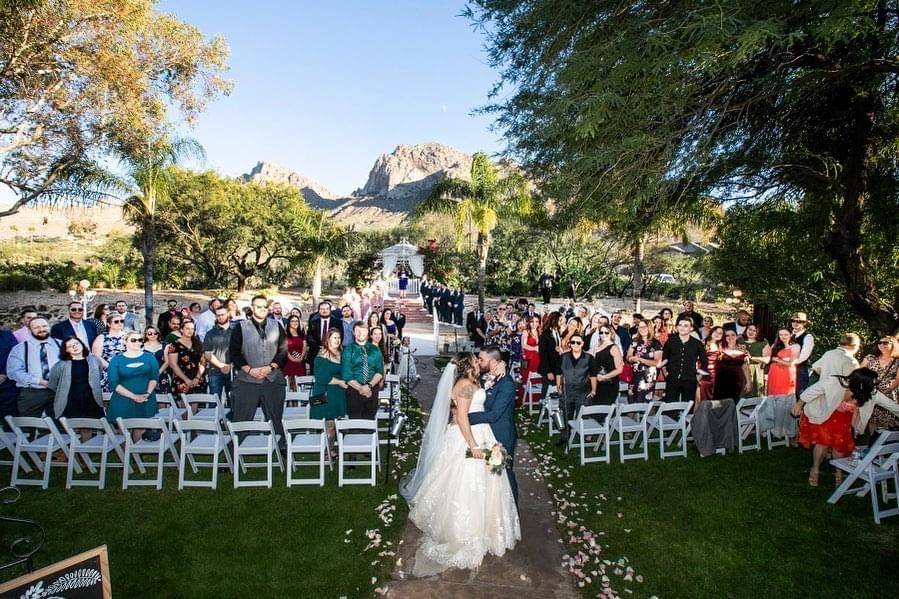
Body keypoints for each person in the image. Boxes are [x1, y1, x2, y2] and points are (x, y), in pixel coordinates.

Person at [403, 352, 521, 577]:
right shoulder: (466, 386)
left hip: (479, 432)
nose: (480, 363)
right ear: (469, 365)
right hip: (468, 437)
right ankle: (467, 531)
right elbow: (463, 417)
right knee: (466, 484)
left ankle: (486, 527)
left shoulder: (472, 382)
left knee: (483, 483)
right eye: (477, 361)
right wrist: (473, 445)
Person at [792, 368, 877, 486]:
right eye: (871, 383)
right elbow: (812, 390)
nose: (873, 386)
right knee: (823, 443)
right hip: (826, 415)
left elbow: (888, 404)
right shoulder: (834, 381)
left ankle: (839, 472)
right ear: (862, 383)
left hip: (844, 420)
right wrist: (799, 404)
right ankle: (815, 470)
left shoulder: (867, 392)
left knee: (839, 446)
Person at [229, 295, 288, 442]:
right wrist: (249, 370)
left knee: (275, 419)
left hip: (272, 379)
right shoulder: (240, 327)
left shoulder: (277, 326)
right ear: (252, 307)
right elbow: (234, 352)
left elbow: (283, 351)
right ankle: (232, 455)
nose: (262, 309)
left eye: (264, 306)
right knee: (241, 420)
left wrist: (270, 367)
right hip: (247, 381)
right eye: (258, 306)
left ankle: (281, 452)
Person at [106, 333, 159, 441]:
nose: (137, 342)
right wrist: (134, 396)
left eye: (140, 340)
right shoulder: (116, 360)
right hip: (123, 399)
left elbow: (154, 377)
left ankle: (136, 455)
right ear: (125, 342)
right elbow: (113, 383)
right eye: (133, 340)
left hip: (145, 398)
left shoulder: (149, 357)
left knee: (140, 428)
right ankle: (124, 457)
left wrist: (147, 394)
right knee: (124, 433)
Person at [6, 318, 61, 418]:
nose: (41, 329)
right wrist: (39, 381)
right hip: (32, 393)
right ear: (30, 330)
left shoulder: (61, 345)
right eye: (37, 327)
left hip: (59, 391)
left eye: (44, 326)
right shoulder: (20, 348)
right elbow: (13, 372)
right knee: (28, 426)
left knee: (60, 427)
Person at [47, 337, 104, 425]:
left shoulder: (94, 360)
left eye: (76, 343)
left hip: (92, 399)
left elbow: (98, 375)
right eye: (70, 346)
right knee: (73, 428)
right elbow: (53, 384)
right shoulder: (60, 365)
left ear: (81, 344)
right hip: (70, 401)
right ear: (66, 350)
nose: (74, 347)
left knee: (89, 427)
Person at [555, 333, 597, 446]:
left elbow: (593, 376)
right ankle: (564, 437)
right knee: (565, 415)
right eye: (573, 342)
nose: (575, 344)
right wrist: (558, 387)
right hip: (566, 391)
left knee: (582, 416)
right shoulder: (563, 357)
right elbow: (558, 373)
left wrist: (593, 391)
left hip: (583, 392)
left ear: (582, 344)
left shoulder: (589, 358)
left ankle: (580, 437)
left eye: (578, 342)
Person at [311, 328, 348, 448]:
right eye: (334, 338)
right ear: (328, 339)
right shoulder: (323, 354)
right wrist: (339, 382)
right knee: (329, 423)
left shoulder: (342, 354)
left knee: (335, 422)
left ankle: (330, 447)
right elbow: (321, 377)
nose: (337, 340)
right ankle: (327, 451)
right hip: (324, 392)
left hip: (337, 393)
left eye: (339, 338)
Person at [341, 321, 385, 420]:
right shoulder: (348, 350)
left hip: (371, 390)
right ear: (353, 333)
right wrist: (361, 388)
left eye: (363, 331)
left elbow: (379, 371)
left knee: (369, 421)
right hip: (354, 390)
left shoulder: (375, 349)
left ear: (368, 332)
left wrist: (369, 386)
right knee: (355, 422)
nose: (360, 334)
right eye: (357, 331)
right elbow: (347, 374)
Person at [662, 318, 708, 403]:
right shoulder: (671, 341)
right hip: (672, 378)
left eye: (686, 326)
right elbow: (664, 358)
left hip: (690, 379)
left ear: (691, 328)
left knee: (688, 406)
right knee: (670, 407)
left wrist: (699, 377)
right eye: (680, 325)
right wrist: (665, 373)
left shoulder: (697, 344)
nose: (682, 328)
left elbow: (704, 361)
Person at [860, 335, 899, 431]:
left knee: (889, 421)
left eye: (885, 343)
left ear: (893, 344)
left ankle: (888, 443)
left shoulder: (897, 361)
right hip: (870, 393)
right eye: (879, 343)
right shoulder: (870, 358)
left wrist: (889, 389)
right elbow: (859, 373)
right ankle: (874, 442)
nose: (881, 345)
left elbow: (898, 379)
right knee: (872, 419)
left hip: (888, 394)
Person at [167, 319, 206, 406]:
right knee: (184, 411)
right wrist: (186, 380)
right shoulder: (174, 344)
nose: (190, 331)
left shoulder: (198, 343)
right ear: (181, 329)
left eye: (192, 329)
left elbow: (203, 362)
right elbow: (173, 364)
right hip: (181, 379)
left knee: (194, 409)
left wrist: (197, 378)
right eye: (187, 328)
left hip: (197, 378)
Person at [627, 320, 663, 402]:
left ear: (649, 328)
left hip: (648, 379)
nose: (642, 329)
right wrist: (631, 358)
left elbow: (658, 363)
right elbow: (628, 356)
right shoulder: (634, 341)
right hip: (634, 376)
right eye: (640, 327)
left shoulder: (656, 343)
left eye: (644, 327)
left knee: (644, 405)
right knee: (631, 404)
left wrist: (641, 360)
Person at [203, 307, 232, 401]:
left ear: (228, 314)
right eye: (218, 315)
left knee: (234, 401)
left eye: (223, 314)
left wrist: (230, 365)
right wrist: (221, 366)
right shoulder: (210, 333)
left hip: (233, 370)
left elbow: (242, 350)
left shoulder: (236, 331)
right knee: (214, 402)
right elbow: (207, 353)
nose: (220, 317)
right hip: (214, 371)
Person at [92, 313, 127, 392]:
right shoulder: (102, 337)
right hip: (108, 370)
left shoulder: (127, 336)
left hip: (126, 370)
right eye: (116, 322)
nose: (120, 323)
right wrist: (111, 367)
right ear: (109, 324)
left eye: (121, 321)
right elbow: (96, 356)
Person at [307, 301, 342, 373]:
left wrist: (329, 347)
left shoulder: (338, 322)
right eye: (322, 309)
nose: (324, 311)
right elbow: (309, 337)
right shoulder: (313, 322)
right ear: (319, 310)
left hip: (332, 354)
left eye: (326, 309)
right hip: (315, 353)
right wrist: (318, 347)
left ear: (330, 310)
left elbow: (341, 337)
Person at [714, 330, 750, 400]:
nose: (730, 337)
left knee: (734, 401)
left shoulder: (743, 350)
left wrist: (748, 382)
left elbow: (745, 367)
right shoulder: (719, 348)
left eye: (733, 335)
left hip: (737, 380)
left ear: (737, 337)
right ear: (724, 337)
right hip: (721, 381)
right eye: (727, 335)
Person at [766, 329, 799, 396]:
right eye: (780, 335)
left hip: (786, 373)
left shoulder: (796, 346)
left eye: (786, 334)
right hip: (773, 373)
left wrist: (777, 360)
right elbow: (768, 359)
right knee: (772, 395)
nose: (783, 336)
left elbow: (790, 363)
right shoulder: (774, 346)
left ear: (791, 335)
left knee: (785, 394)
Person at [538, 311, 563, 400]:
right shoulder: (545, 334)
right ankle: (543, 411)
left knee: (555, 391)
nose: (562, 322)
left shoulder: (558, 332)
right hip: (548, 368)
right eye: (560, 320)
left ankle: (554, 411)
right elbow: (543, 354)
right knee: (546, 391)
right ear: (554, 320)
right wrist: (548, 371)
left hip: (557, 366)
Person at [740, 324, 770, 397]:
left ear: (758, 333)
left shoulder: (763, 342)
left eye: (754, 331)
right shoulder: (739, 340)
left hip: (756, 371)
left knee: (755, 395)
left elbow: (767, 359)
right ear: (746, 329)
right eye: (750, 329)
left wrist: (751, 358)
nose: (751, 332)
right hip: (740, 371)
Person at [790, 312, 815, 399]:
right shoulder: (789, 335)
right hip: (786, 369)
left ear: (804, 323)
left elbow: (804, 356)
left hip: (800, 370)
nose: (795, 323)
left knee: (799, 395)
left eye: (799, 321)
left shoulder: (808, 337)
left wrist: (789, 363)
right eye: (793, 320)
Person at [698, 326, 724, 402]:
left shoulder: (720, 346)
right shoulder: (703, 343)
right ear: (711, 332)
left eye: (720, 333)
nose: (717, 334)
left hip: (715, 376)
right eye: (716, 332)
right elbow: (697, 360)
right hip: (703, 375)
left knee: (712, 398)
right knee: (701, 397)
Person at [283, 314, 308, 391]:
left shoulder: (301, 334)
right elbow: (284, 348)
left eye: (296, 321)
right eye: (292, 321)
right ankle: (290, 402)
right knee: (290, 384)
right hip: (289, 363)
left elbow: (304, 347)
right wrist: (292, 358)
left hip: (300, 363)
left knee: (300, 384)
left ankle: (299, 402)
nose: (295, 322)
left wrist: (301, 357)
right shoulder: (285, 335)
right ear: (289, 323)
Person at [0, 328, 20, 424]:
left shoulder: (7, 336)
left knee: (9, 417)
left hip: (7, 384)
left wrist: (4, 374)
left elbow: (16, 355)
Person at [519, 316, 541, 391]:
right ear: (529, 322)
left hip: (537, 357)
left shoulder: (539, 331)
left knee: (536, 376)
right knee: (526, 376)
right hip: (528, 358)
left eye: (537, 321)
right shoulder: (526, 331)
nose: (534, 323)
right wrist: (535, 348)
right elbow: (524, 345)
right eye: (532, 321)